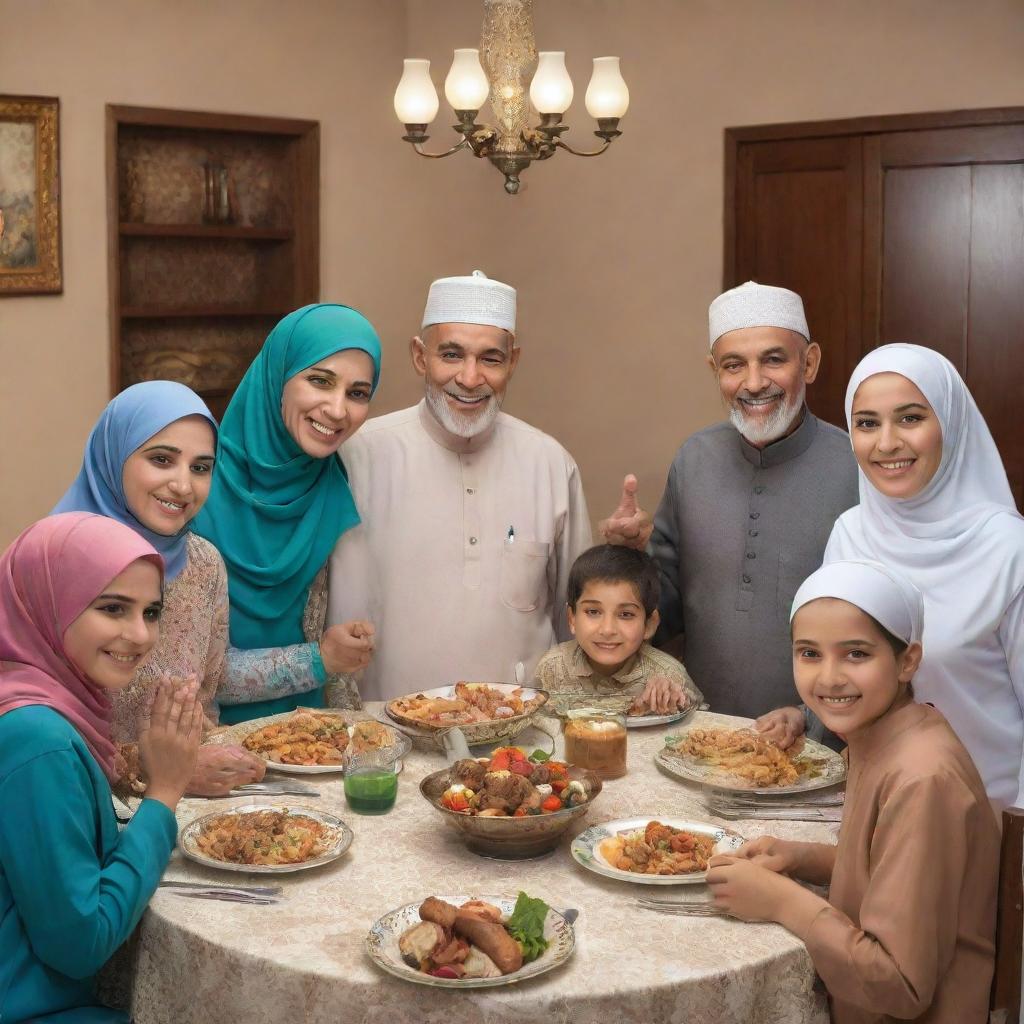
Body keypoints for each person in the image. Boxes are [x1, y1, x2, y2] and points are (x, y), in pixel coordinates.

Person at [706, 559, 998, 1024]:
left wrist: (782, 901)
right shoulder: (882, 733)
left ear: (908, 660)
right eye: (809, 653)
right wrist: (802, 857)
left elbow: (901, 984)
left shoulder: (922, 778)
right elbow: (889, 869)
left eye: (856, 654)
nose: (829, 677)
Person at [764, 343, 1024, 812]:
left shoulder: (1008, 549)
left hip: (993, 820)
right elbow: (846, 667)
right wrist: (805, 716)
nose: (886, 443)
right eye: (866, 423)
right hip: (877, 807)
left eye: (910, 418)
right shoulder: (851, 534)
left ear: (950, 423)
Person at [327, 270, 592, 699]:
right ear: (419, 356)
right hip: (385, 735)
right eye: (451, 355)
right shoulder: (356, 457)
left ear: (513, 362)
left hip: (519, 740)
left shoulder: (551, 465)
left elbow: (580, 621)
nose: (470, 379)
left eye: (490, 358)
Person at [601, 281, 859, 721]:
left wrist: (810, 721)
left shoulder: (855, 467)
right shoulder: (694, 458)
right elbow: (664, 609)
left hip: (820, 738)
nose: (754, 382)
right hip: (699, 732)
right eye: (734, 365)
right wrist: (628, 556)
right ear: (714, 370)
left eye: (773, 360)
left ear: (809, 363)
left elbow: (878, 631)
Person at [0, 512, 203, 1023]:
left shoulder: (35, 697)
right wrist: (163, 796)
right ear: (47, 600)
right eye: (113, 608)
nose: (139, 635)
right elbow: (81, 943)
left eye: (151, 612)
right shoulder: (36, 738)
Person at [193, 304, 383, 723]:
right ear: (277, 377)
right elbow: (186, 670)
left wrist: (342, 654)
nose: (337, 410)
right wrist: (319, 659)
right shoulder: (193, 487)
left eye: (357, 393)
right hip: (203, 754)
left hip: (306, 746)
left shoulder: (336, 488)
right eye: (319, 381)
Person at [534, 544, 702, 715]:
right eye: (593, 612)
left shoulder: (667, 674)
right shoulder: (552, 668)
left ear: (649, 625)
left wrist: (675, 699)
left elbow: (701, 722)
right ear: (572, 619)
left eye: (625, 614)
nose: (607, 630)